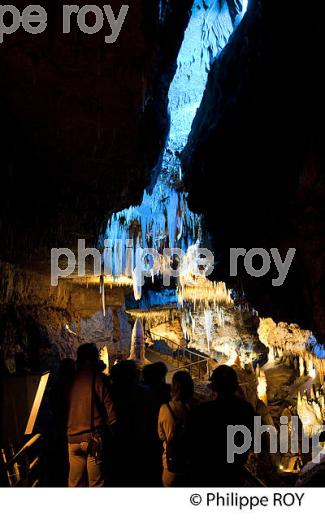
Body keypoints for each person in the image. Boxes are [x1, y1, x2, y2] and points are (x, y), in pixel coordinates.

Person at [188, 365, 256, 487]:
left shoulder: (201, 412)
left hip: (207, 473)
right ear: (236, 385)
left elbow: (190, 444)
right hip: (234, 473)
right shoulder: (246, 410)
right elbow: (256, 442)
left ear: (213, 386)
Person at [66, 343, 117, 487]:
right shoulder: (99, 379)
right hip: (93, 438)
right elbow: (111, 411)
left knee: (75, 483)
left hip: (73, 439)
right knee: (96, 483)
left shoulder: (70, 380)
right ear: (93, 358)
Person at [158, 370, 194, 487]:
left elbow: (161, 435)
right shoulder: (195, 409)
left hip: (170, 463)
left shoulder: (165, 408)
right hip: (190, 462)